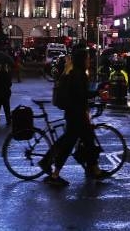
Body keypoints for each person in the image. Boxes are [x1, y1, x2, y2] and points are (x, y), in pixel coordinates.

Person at [42, 47, 103, 185]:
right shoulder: (78, 74)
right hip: (76, 115)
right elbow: (81, 95)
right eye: (87, 58)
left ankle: (94, 169)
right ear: (82, 60)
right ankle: (54, 174)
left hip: (75, 113)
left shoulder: (76, 72)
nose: (89, 61)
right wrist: (96, 93)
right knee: (71, 144)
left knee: (85, 141)